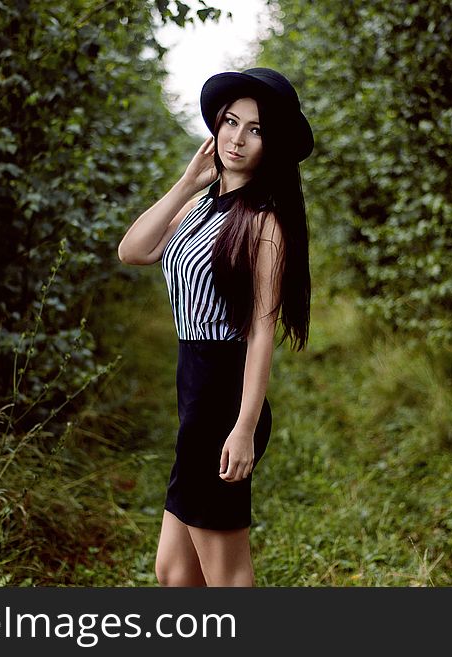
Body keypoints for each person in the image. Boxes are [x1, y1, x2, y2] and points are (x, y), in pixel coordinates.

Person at [117, 67, 313, 587]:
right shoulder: (200, 206)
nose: (238, 138)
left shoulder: (263, 223)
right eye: (231, 122)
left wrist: (245, 427)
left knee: (227, 578)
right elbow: (133, 250)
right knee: (175, 572)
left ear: (271, 145)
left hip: (224, 402)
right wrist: (187, 181)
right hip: (195, 396)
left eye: (256, 129)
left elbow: (261, 334)